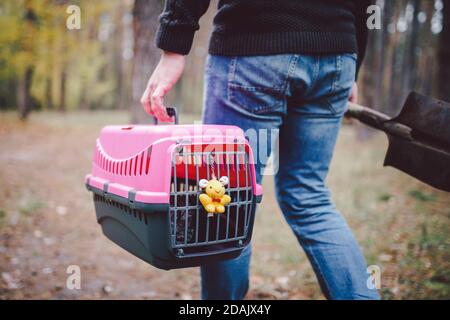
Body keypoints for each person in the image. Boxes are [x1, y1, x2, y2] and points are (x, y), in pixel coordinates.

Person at [141, 0, 379, 300]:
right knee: (309, 195)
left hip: (253, 46)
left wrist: (173, 47)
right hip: (335, 57)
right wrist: (351, 67)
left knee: (224, 198)